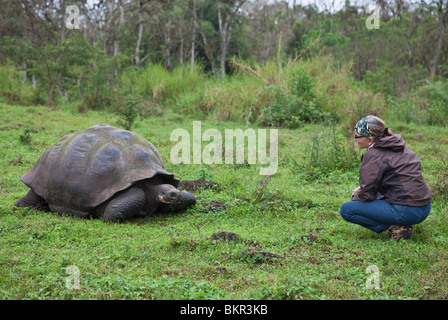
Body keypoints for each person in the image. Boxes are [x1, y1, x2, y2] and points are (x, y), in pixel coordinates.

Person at [339, 115, 432, 241]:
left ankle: (395, 229)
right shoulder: (400, 147)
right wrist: (364, 190)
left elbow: (366, 194)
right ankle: (400, 224)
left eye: (357, 136)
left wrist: (357, 195)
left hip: (407, 209)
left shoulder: (373, 155)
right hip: (425, 207)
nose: (355, 140)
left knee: (347, 209)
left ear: (370, 140)